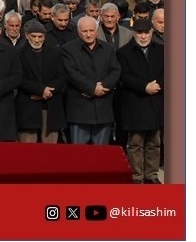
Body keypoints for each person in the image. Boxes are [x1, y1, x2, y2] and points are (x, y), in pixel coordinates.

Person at [116, 20, 165, 184]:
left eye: (146, 33)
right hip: (135, 103)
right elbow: (124, 76)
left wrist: (158, 85)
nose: (143, 36)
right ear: (134, 33)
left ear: (151, 32)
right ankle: (137, 176)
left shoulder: (162, 50)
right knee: (135, 143)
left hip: (155, 102)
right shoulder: (124, 52)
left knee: (154, 142)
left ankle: (151, 175)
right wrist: (144, 87)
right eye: (139, 33)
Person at [61, 16, 122, 145]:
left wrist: (103, 87)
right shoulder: (68, 49)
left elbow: (115, 71)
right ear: (78, 32)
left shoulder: (108, 49)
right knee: (79, 156)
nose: (88, 34)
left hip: (103, 108)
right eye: (84, 31)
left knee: (100, 157)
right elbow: (71, 73)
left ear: (97, 30)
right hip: (80, 111)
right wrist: (92, 88)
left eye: (91, 30)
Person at [15, 21, 67, 143]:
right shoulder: (18, 53)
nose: (37, 40)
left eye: (40, 37)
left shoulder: (55, 53)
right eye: (34, 36)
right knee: (28, 149)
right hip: (28, 106)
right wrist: (40, 90)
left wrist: (47, 91)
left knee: (50, 150)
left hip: (51, 105)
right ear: (27, 35)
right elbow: (18, 78)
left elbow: (62, 77)